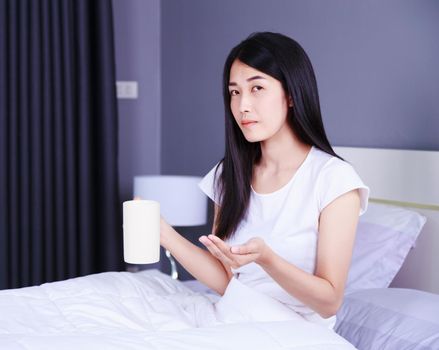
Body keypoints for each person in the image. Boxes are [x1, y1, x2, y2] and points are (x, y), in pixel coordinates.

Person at [159, 32, 369, 329]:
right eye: (234, 92)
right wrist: (165, 234)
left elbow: (329, 302)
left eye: (257, 87)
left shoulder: (334, 180)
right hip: (232, 318)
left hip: (293, 332)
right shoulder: (229, 174)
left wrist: (267, 260)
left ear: (292, 94)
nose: (242, 105)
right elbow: (226, 281)